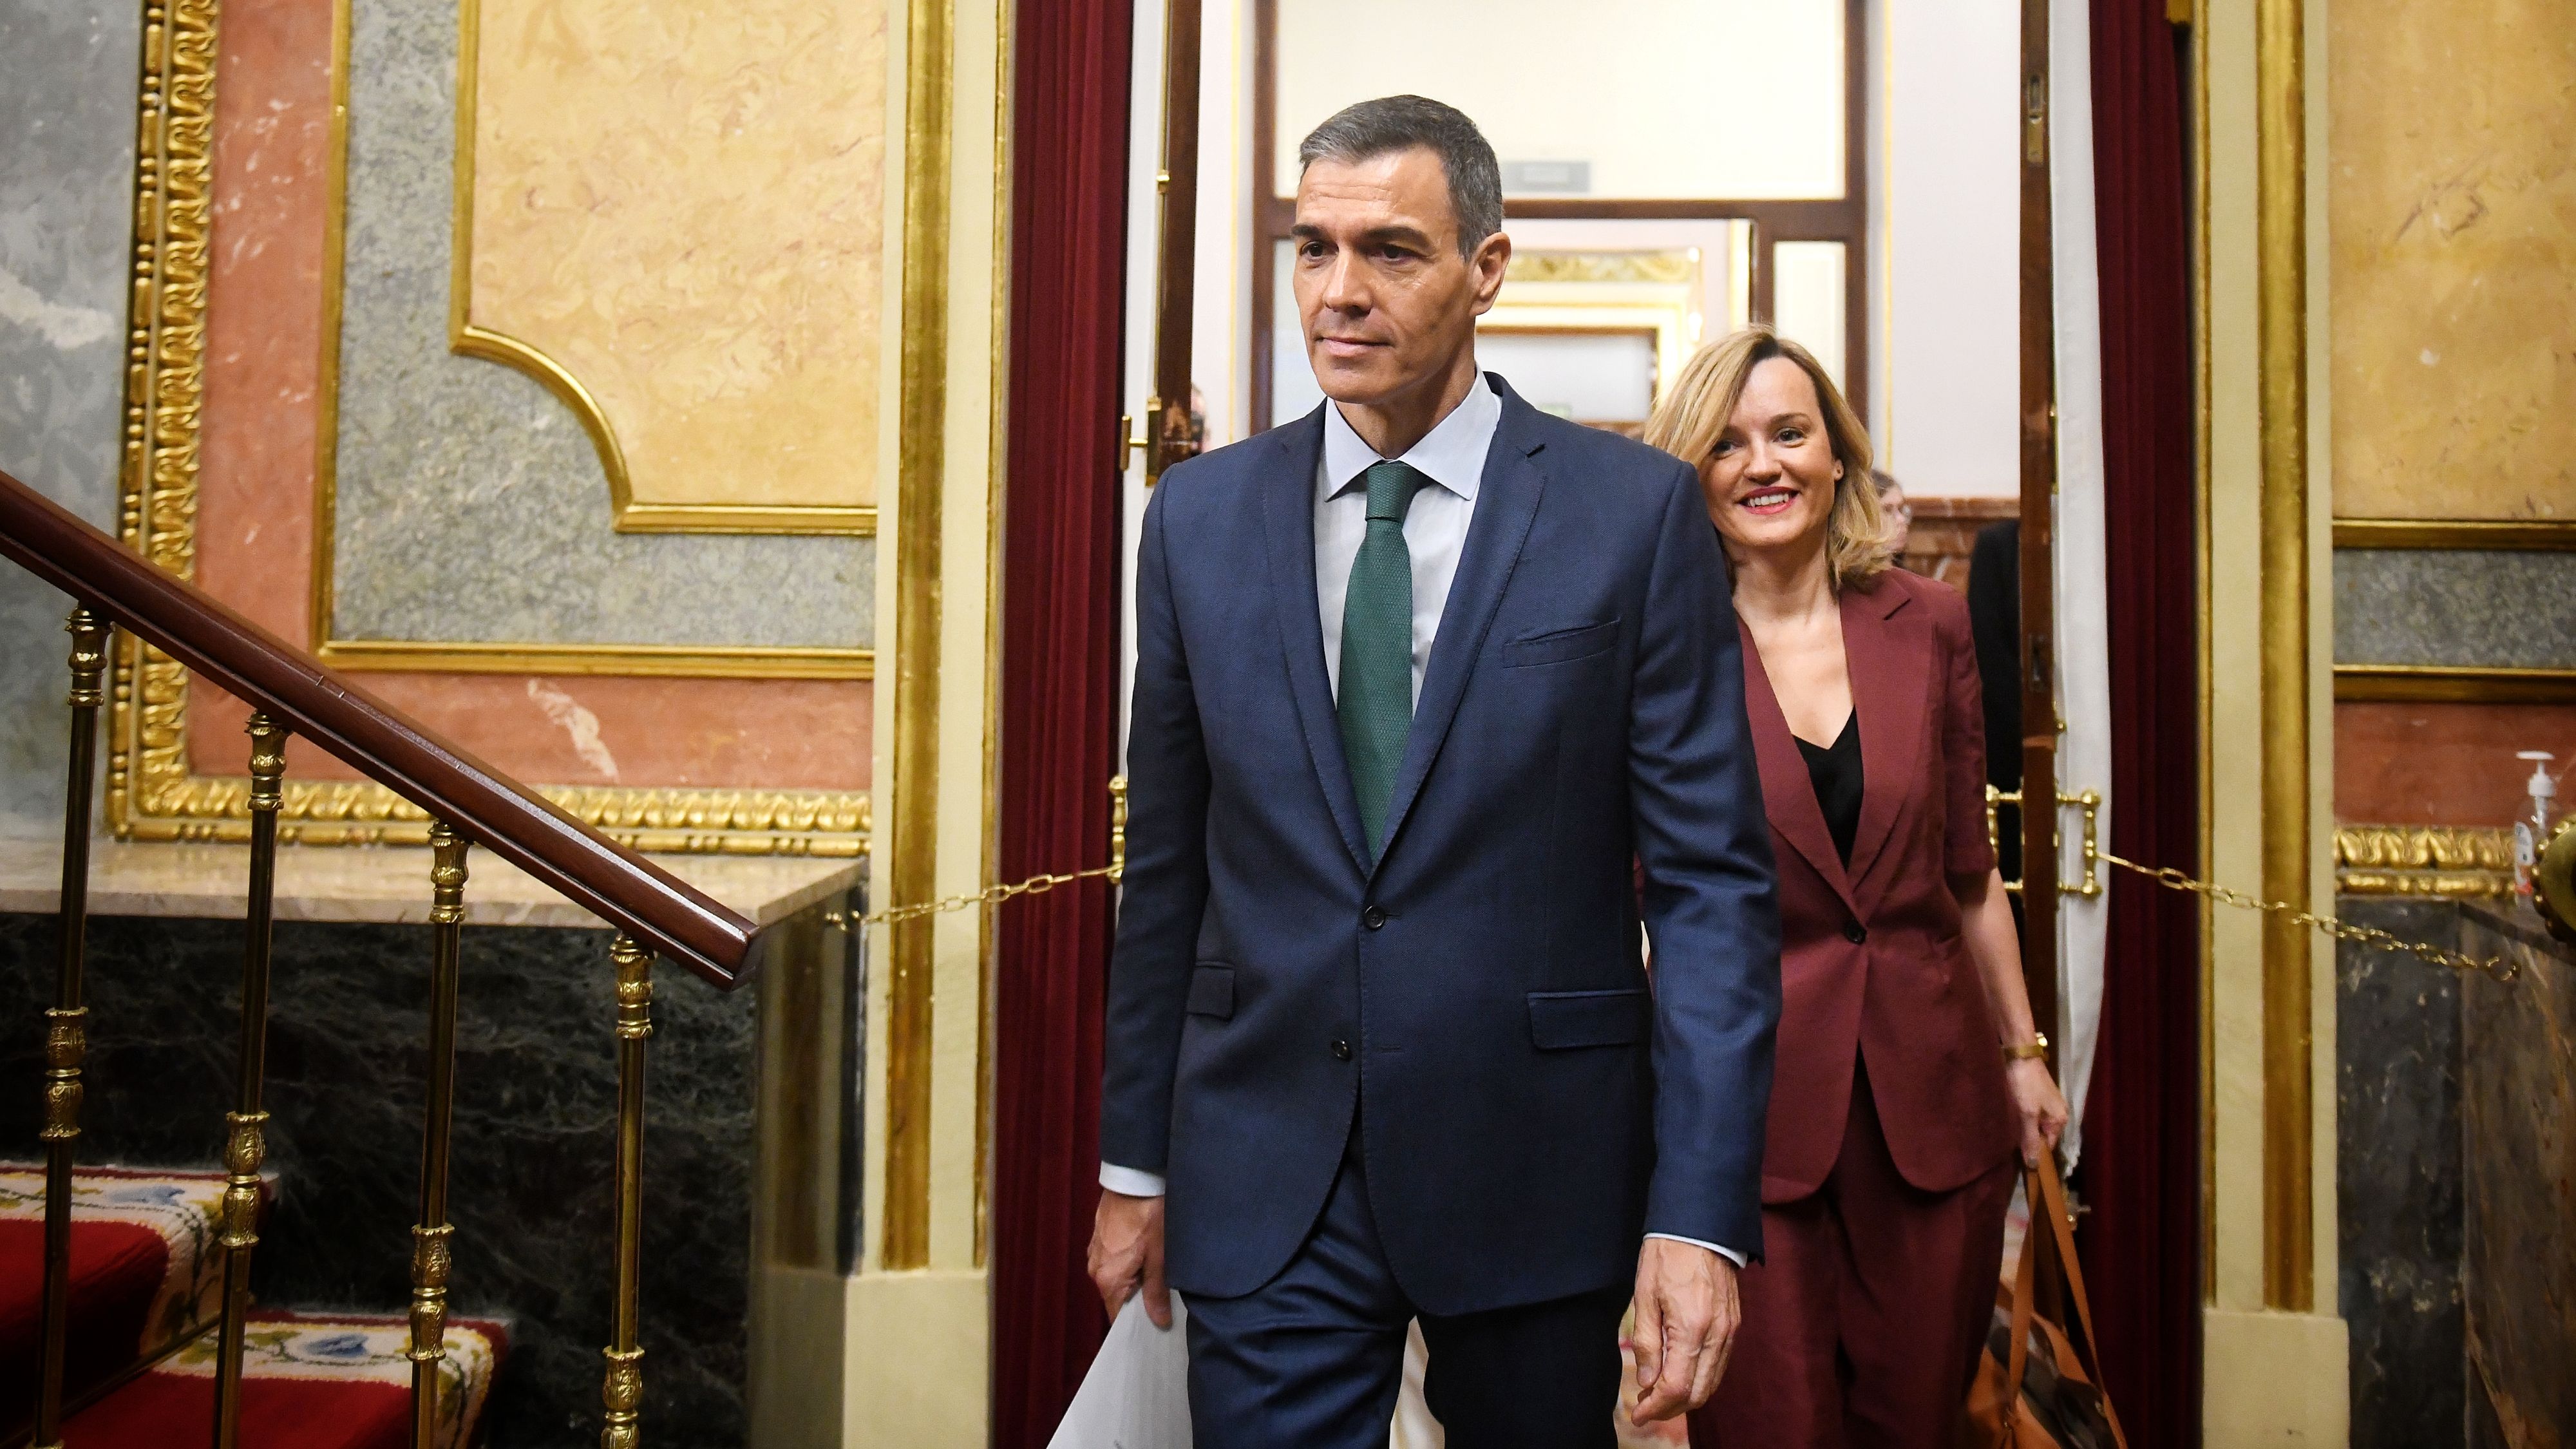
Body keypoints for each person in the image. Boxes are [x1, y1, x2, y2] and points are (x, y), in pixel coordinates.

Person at [1087, 95, 1782, 1448]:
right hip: (1267, 1167)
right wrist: (1134, 1162)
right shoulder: (1197, 520)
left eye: (1391, 251)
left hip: (1540, 1164)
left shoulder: (1629, 516)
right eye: (1313, 247)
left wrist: (1697, 1215)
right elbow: (1166, 868)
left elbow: (1711, 889)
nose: (1339, 291)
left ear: (1486, 267)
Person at [1640, 327, 2069, 1448]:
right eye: (1726, 443)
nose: (1763, 463)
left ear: (1836, 455)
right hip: (1742, 1126)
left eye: (1790, 432)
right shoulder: (1656, 649)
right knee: (1771, 1427)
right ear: (1690, 473)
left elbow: (1969, 873)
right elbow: (1629, 901)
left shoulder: (1929, 624)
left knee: (1917, 1424)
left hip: (1934, 1108)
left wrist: (2023, 1052)